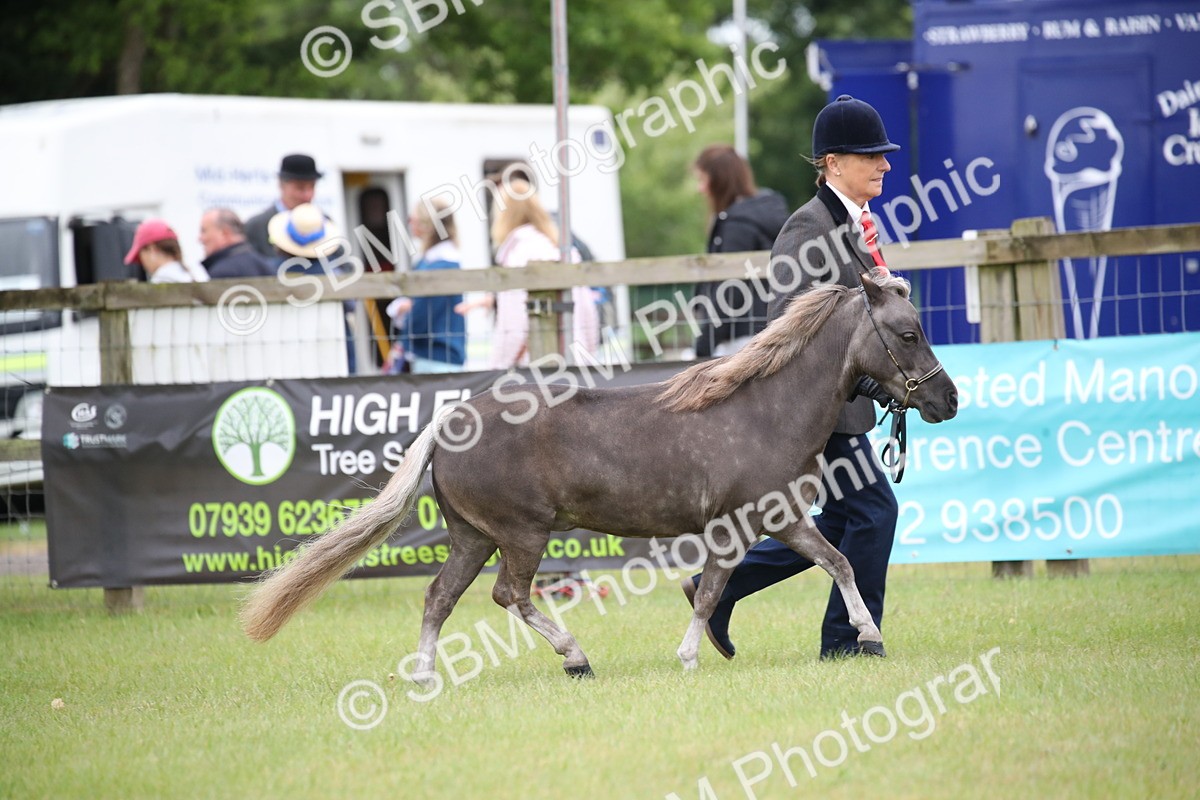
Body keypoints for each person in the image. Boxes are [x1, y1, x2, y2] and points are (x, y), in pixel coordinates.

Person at [682, 94, 900, 661]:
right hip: (814, 412)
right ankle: (848, 642)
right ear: (832, 162)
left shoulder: (853, 226)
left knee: (840, 518)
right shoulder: (807, 230)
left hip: (841, 406)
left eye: (884, 155)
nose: (885, 165)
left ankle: (720, 586)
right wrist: (873, 383)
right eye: (871, 156)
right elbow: (794, 325)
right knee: (875, 513)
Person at [691, 145, 791, 357]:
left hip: (742, 339)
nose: (700, 189)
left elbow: (730, 292)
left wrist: (703, 346)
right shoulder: (765, 213)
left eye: (702, 179)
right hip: (771, 328)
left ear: (719, 180)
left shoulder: (736, 225)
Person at [488, 179, 599, 369]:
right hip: (576, 362)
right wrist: (588, 358)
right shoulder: (564, 250)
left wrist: (496, 369)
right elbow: (588, 311)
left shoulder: (517, 254)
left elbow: (513, 325)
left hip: (536, 369)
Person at [384, 197, 467, 374]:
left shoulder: (440, 265)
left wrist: (405, 313)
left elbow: (419, 315)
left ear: (425, 224)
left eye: (412, 219)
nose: (410, 224)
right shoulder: (435, 261)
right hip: (436, 354)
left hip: (436, 357)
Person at [245, 154, 324, 259]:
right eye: (300, 188)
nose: (307, 195)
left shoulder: (324, 223)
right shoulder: (256, 227)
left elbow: (344, 266)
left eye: (312, 187)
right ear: (281, 185)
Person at [199, 208, 276, 280]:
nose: (200, 238)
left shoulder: (223, 272)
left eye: (204, 231)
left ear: (225, 233)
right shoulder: (263, 264)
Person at [124, 219, 209, 283]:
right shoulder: (198, 271)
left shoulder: (160, 281)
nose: (142, 264)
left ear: (152, 249)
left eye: (140, 256)